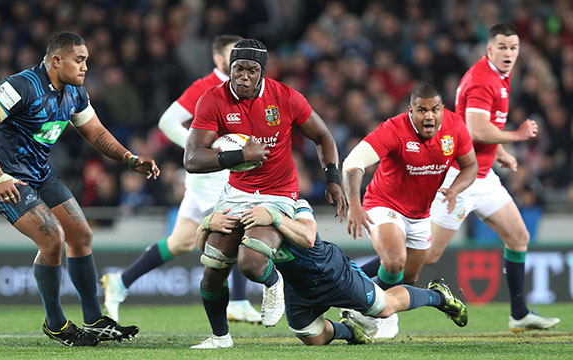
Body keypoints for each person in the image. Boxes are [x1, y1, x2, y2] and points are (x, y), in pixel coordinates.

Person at [0, 31, 159, 347]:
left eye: (86, 61)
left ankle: (94, 320)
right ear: (57, 60)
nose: (85, 67)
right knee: (52, 238)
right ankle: (55, 324)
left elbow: (94, 131)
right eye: (79, 60)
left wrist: (128, 158)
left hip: (40, 174)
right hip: (5, 179)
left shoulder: (75, 94)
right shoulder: (21, 86)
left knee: (81, 235)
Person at [184, 38, 347, 348]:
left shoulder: (285, 97)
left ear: (262, 73)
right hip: (237, 192)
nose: (243, 76)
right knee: (214, 265)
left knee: (251, 262)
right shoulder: (212, 100)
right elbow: (192, 159)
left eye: (251, 70)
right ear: (229, 69)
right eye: (238, 69)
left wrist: (333, 180)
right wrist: (239, 155)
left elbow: (323, 136)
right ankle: (220, 338)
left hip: (278, 192)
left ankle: (274, 281)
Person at [100, 35, 262, 324]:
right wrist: (199, 148)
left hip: (218, 173)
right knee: (239, 223)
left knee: (180, 242)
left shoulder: (242, 90)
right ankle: (237, 301)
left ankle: (120, 283)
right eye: (231, 54)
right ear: (217, 59)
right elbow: (166, 122)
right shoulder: (205, 87)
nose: (239, 59)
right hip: (211, 175)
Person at [427, 23, 560, 332]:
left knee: (518, 237)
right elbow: (475, 129)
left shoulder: (499, 77)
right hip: (460, 177)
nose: (508, 53)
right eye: (502, 47)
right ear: (489, 49)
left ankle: (519, 313)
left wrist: (499, 152)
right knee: (429, 255)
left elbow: (476, 124)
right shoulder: (483, 80)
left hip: (484, 176)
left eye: (513, 48)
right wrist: (517, 135)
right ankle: (358, 284)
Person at [196, 198, 468, 346]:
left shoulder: (294, 202)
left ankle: (438, 296)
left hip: (330, 273)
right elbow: (204, 252)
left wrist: (276, 218)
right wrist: (207, 224)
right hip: (297, 287)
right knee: (310, 336)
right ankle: (351, 332)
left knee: (385, 308)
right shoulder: (240, 211)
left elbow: (310, 236)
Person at [342, 84, 478, 338]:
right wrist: (354, 204)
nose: (429, 116)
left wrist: (454, 189)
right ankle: (364, 309)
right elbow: (353, 163)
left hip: (420, 215)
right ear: (411, 111)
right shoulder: (393, 129)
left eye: (434, 109)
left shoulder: (455, 127)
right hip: (383, 204)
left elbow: (471, 166)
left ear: (442, 110)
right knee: (394, 262)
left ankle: (364, 292)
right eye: (422, 110)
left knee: (408, 277)